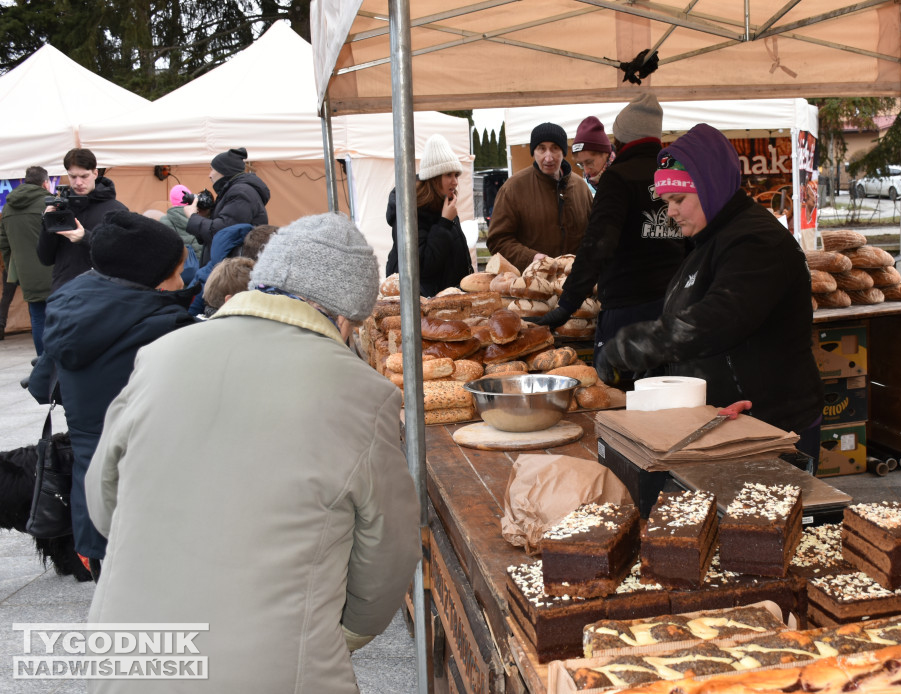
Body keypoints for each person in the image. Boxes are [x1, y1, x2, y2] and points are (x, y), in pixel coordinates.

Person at [84, 212, 421, 693]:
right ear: (344, 315)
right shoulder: (363, 394)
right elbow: (388, 549)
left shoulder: (160, 355)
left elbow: (103, 502)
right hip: (275, 671)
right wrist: (347, 632)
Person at [595, 123, 824, 463]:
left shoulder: (757, 242)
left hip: (773, 432)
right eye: (667, 201)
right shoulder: (706, 243)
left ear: (710, 187)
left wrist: (636, 345)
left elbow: (718, 320)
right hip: (726, 429)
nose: (670, 211)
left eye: (678, 199)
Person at [27, 211, 196, 580]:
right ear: (151, 276)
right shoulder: (166, 326)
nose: (182, 279)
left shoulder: (67, 307)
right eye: (177, 271)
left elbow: (42, 387)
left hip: (93, 499)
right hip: (151, 496)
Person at [530, 95, 687, 365]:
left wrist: (568, 304)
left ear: (621, 138)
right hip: (673, 304)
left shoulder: (619, 177)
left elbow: (598, 243)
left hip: (628, 309)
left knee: (621, 395)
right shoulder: (673, 173)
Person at [485, 122, 591, 271]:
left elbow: (592, 234)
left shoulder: (581, 187)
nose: (548, 157)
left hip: (576, 283)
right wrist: (531, 258)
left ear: (563, 152)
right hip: (529, 286)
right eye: (541, 148)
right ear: (533, 152)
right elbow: (498, 240)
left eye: (555, 148)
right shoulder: (513, 188)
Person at [385, 134, 473, 296]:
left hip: (448, 300)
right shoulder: (409, 212)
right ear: (434, 178)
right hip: (424, 306)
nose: (455, 182)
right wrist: (444, 223)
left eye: (456, 175)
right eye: (449, 175)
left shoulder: (445, 203)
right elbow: (421, 266)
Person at [36, 148, 128, 292]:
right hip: (64, 293)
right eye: (73, 177)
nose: (78, 182)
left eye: (84, 176)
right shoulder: (59, 207)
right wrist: (47, 223)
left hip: (102, 293)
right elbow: (45, 259)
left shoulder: (116, 210)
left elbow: (122, 255)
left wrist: (86, 237)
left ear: (95, 173)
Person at [184, 147, 270, 265]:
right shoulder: (235, 191)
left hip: (233, 272)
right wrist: (205, 216)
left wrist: (193, 216)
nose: (209, 175)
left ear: (223, 171)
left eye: (212, 170)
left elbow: (221, 233)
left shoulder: (241, 193)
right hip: (231, 268)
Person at [0, 166, 53, 351]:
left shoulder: (7, 208)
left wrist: (15, 271)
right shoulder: (51, 203)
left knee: (37, 318)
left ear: (24, 181)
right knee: (59, 320)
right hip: (55, 271)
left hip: (26, 274)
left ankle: (42, 364)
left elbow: (4, 244)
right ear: (45, 183)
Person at [572, 115, 615, 192]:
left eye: (589, 162)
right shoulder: (589, 185)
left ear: (605, 154)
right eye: (581, 164)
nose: (586, 171)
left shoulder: (627, 179)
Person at [160, 183, 203, 258]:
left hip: (177, 267)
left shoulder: (164, 222)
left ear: (172, 200)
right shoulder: (200, 218)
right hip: (201, 266)